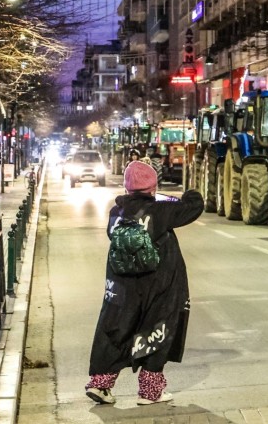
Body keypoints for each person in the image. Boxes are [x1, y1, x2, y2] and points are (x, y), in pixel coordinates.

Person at [85, 160, 204, 405]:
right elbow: (194, 206)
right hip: (158, 283)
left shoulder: (116, 213)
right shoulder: (161, 210)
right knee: (157, 327)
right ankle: (150, 392)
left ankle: (101, 384)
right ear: (152, 187)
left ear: (128, 188)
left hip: (121, 284)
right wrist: (187, 192)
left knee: (116, 329)